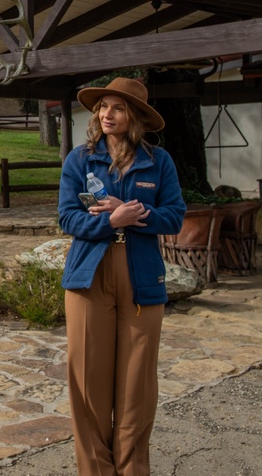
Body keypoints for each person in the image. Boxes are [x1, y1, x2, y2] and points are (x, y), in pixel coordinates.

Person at [58, 76, 186, 475]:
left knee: (136, 388)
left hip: (142, 277)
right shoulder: (80, 159)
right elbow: (67, 216)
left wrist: (138, 215)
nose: (106, 114)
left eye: (116, 107)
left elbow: (175, 215)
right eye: (102, 107)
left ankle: (132, 470)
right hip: (88, 277)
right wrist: (112, 219)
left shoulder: (158, 162)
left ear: (135, 116)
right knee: (88, 384)